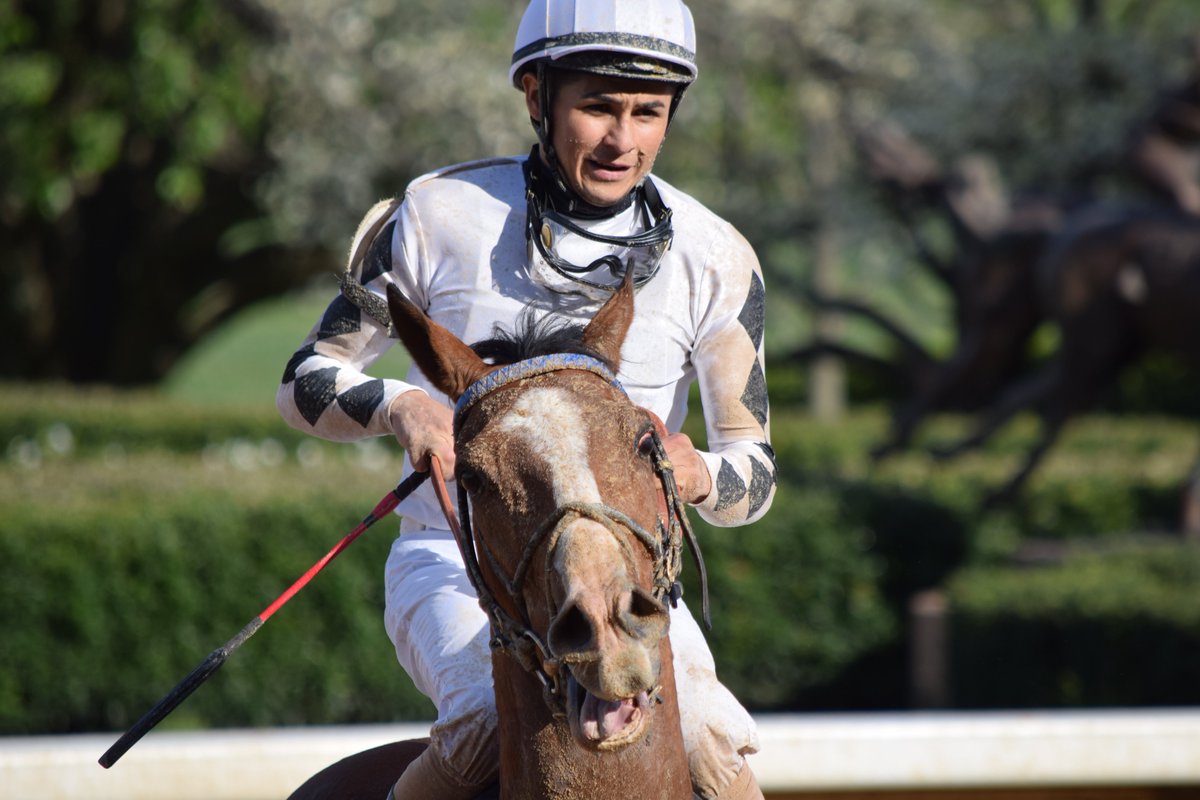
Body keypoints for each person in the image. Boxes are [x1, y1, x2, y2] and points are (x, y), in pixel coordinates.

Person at [277, 1, 776, 797]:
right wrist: (403, 407)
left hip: (631, 583)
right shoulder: (432, 214)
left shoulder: (717, 254)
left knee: (717, 745)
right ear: (537, 97)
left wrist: (699, 474)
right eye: (597, 108)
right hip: (459, 568)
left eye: (648, 113)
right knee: (477, 729)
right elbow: (304, 382)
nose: (623, 140)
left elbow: (756, 469)